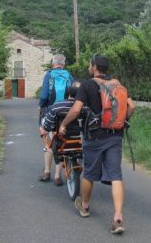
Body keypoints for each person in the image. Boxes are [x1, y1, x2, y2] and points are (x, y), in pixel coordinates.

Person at [58, 54, 135, 235]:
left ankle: (84, 207)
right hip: (115, 135)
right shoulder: (117, 84)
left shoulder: (87, 85)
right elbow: (131, 106)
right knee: (116, 175)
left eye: (89, 65)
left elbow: (76, 109)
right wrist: (122, 121)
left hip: (94, 137)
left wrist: (63, 124)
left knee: (90, 174)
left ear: (94, 67)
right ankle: (118, 217)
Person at [38, 54, 74, 184]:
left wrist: (41, 106)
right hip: (66, 112)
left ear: (53, 63)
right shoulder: (69, 75)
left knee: (48, 141)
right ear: (63, 64)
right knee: (60, 141)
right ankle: (58, 176)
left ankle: (47, 171)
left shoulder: (49, 75)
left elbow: (44, 95)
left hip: (50, 111)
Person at [39, 81, 88, 174]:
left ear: (68, 93)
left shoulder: (57, 106)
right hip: (81, 138)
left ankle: (48, 171)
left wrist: (44, 129)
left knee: (47, 138)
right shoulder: (86, 107)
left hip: (62, 138)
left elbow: (48, 125)